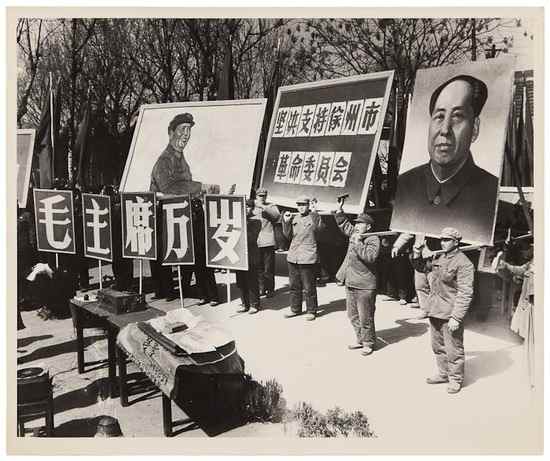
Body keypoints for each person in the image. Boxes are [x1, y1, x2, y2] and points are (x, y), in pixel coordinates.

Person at [392, 74, 498, 245]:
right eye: (439, 116)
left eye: (457, 116)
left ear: (475, 128)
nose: (445, 130)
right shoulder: (406, 183)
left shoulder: (489, 191)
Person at [412, 227, 474, 394]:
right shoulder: (439, 257)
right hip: (435, 309)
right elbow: (421, 268)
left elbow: (465, 292)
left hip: (450, 312)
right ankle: (443, 373)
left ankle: (455, 379)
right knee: (437, 346)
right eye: (442, 240)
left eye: (447, 240)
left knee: (454, 348)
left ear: (456, 242)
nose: (443, 242)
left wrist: (457, 317)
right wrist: (416, 253)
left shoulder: (464, 263)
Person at [334, 210, 380, 356]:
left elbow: (370, 257)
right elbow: (345, 225)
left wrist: (359, 243)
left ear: (369, 226)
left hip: (365, 285)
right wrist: (339, 212)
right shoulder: (355, 233)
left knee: (365, 316)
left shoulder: (373, 239)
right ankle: (360, 338)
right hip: (351, 281)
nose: (357, 226)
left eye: (361, 223)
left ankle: (368, 343)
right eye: (357, 223)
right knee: (352, 315)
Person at [496, 247, 535, 389]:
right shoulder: (532, 262)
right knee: (530, 342)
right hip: (528, 304)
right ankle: (532, 375)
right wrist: (506, 265)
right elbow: (521, 270)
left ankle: (536, 377)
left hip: (534, 306)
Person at [281, 196, 325, 321]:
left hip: (308, 256)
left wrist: (315, 212)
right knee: (294, 285)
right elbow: (287, 236)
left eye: (304, 204)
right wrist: (286, 222)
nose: (301, 207)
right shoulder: (294, 217)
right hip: (293, 256)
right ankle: (295, 309)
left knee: (309, 286)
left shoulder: (314, 217)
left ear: (308, 205)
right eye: (299, 204)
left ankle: (311, 310)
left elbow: (320, 230)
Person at [149, 113, 203, 196]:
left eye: (188, 129)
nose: (186, 134)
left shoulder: (180, 159)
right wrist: (200, 187)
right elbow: (169, 189)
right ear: (171, 133)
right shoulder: (164, 160)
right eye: (183, 129)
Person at [236, 199, 262, 314]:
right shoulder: (237, 221)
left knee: (251, 280)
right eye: (244, 207)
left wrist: (242, 224)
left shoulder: (256, 221)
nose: (246, 209)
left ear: (252, 208)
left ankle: (254, 304)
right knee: (241, 281)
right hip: (239, 255)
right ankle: (244, 303)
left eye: (248, 207)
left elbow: (251, 238)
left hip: (251, 255)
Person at [253, 189, 280, 298]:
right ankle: (261, 288)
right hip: (256, 241)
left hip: (268, 241)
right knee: (258, 267)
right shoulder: (252, 206)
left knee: (268, 267)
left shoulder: (271, 206)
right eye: (260, 196)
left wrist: (263, 207)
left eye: (264, 196)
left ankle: (270, 289)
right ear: (256, 196)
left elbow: (277, 216)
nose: (262, 198)